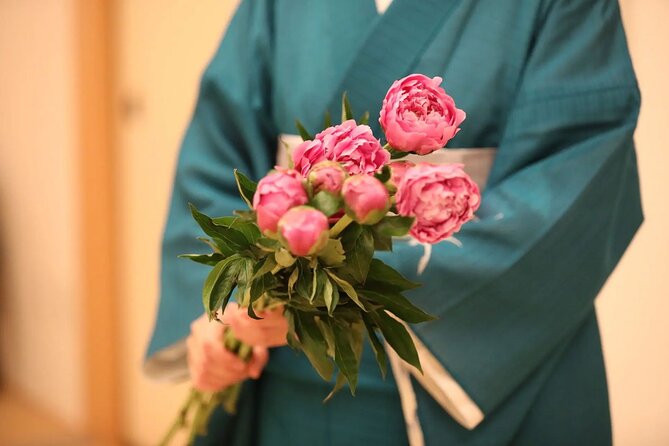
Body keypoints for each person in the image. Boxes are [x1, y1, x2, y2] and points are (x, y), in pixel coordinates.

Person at [145, 0, 643, 444]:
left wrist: (341, 286)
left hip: (487, 370)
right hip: (282, 367)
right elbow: (217, 151)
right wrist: (230, 301)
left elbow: (572, 173)